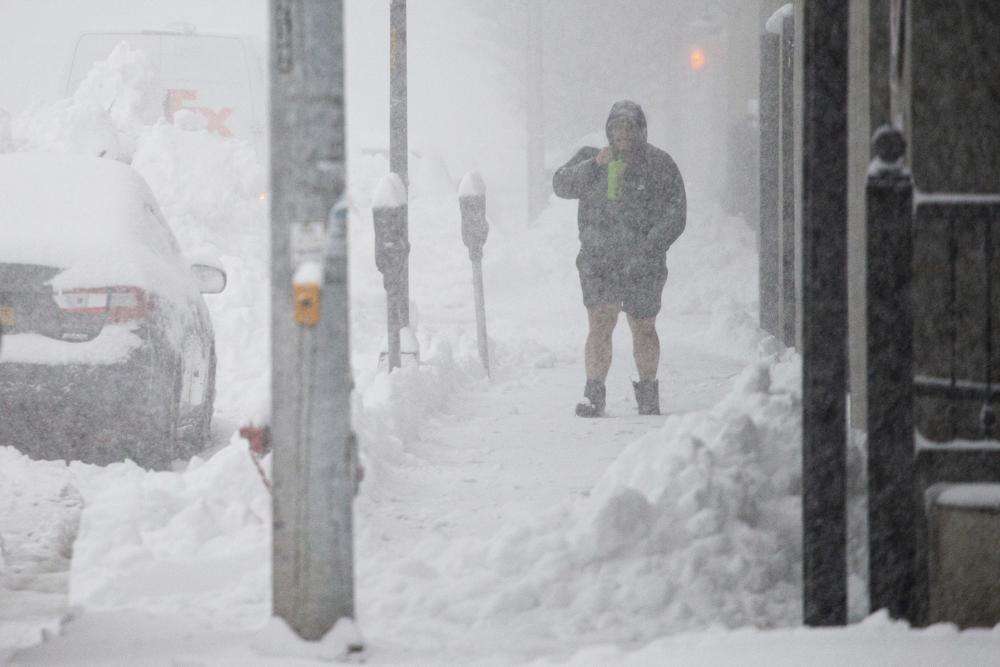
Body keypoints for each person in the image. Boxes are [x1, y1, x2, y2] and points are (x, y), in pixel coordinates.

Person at [552, 100, 686, 417]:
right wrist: (594, 165)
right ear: (609, 130)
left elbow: (676, 213)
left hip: (644, 264)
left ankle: (648, 392)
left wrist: (650, 246)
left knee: (643, 327)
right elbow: (560, 184)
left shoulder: (659, 163)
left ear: (641, 131)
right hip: (599, 261)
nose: (623, 134)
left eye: (629, 127)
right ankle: (593, 394)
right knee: (600, 323)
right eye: (617, 127)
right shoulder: (592, 158)